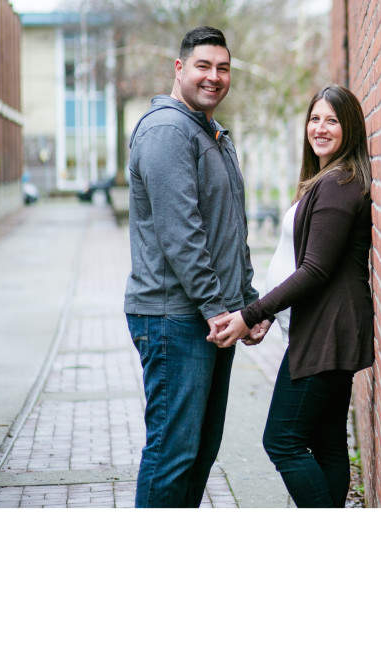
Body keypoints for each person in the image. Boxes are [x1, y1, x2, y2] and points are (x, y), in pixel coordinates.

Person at [124, 26, 270, 507]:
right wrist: (216, 307)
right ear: (179, 68)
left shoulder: (209, 132)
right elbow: (181, 234)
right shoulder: (168, 131)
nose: (214, 77)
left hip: (209, 318)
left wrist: (247, 304)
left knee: (198, 454)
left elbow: (230, 229)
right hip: (175, 319)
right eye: (204, 66)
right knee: (172, 455)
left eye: (223, 68)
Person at [209, 84, 373, 508]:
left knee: (281, 441)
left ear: (349, 128)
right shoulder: (331, 179)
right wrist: (268, 313)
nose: (320, 128)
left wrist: (251, 312)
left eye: (332, 120)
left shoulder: (339, 185)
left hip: (326, 335)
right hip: (326, 332)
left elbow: (315, 270)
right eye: (315, 118)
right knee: (328, 442)